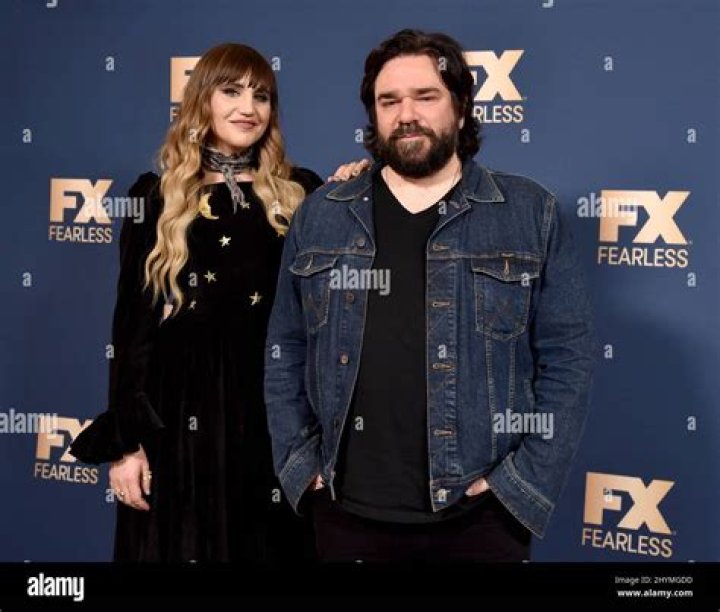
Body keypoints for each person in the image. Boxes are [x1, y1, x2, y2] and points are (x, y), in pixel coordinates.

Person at [264, 29, 597, 563]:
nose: (407, 115)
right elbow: (285, 348)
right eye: (388, 101)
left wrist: (519, 486)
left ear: (461, 108)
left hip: (479, 520)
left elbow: (568, 361)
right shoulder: (322, 215)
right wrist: (302, 469)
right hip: (346, 515)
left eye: (426, 96)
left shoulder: (528, 213)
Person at [69, 42, 366, 562]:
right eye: (231, 92)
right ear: (202, 99)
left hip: (275, 410)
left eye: (261, 96)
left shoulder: (301, 191)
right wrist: (127, 444)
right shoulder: (154, 196)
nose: (248, 108)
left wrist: (352, 198)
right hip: (178, 416)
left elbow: (340, 301)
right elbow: (132, 330)